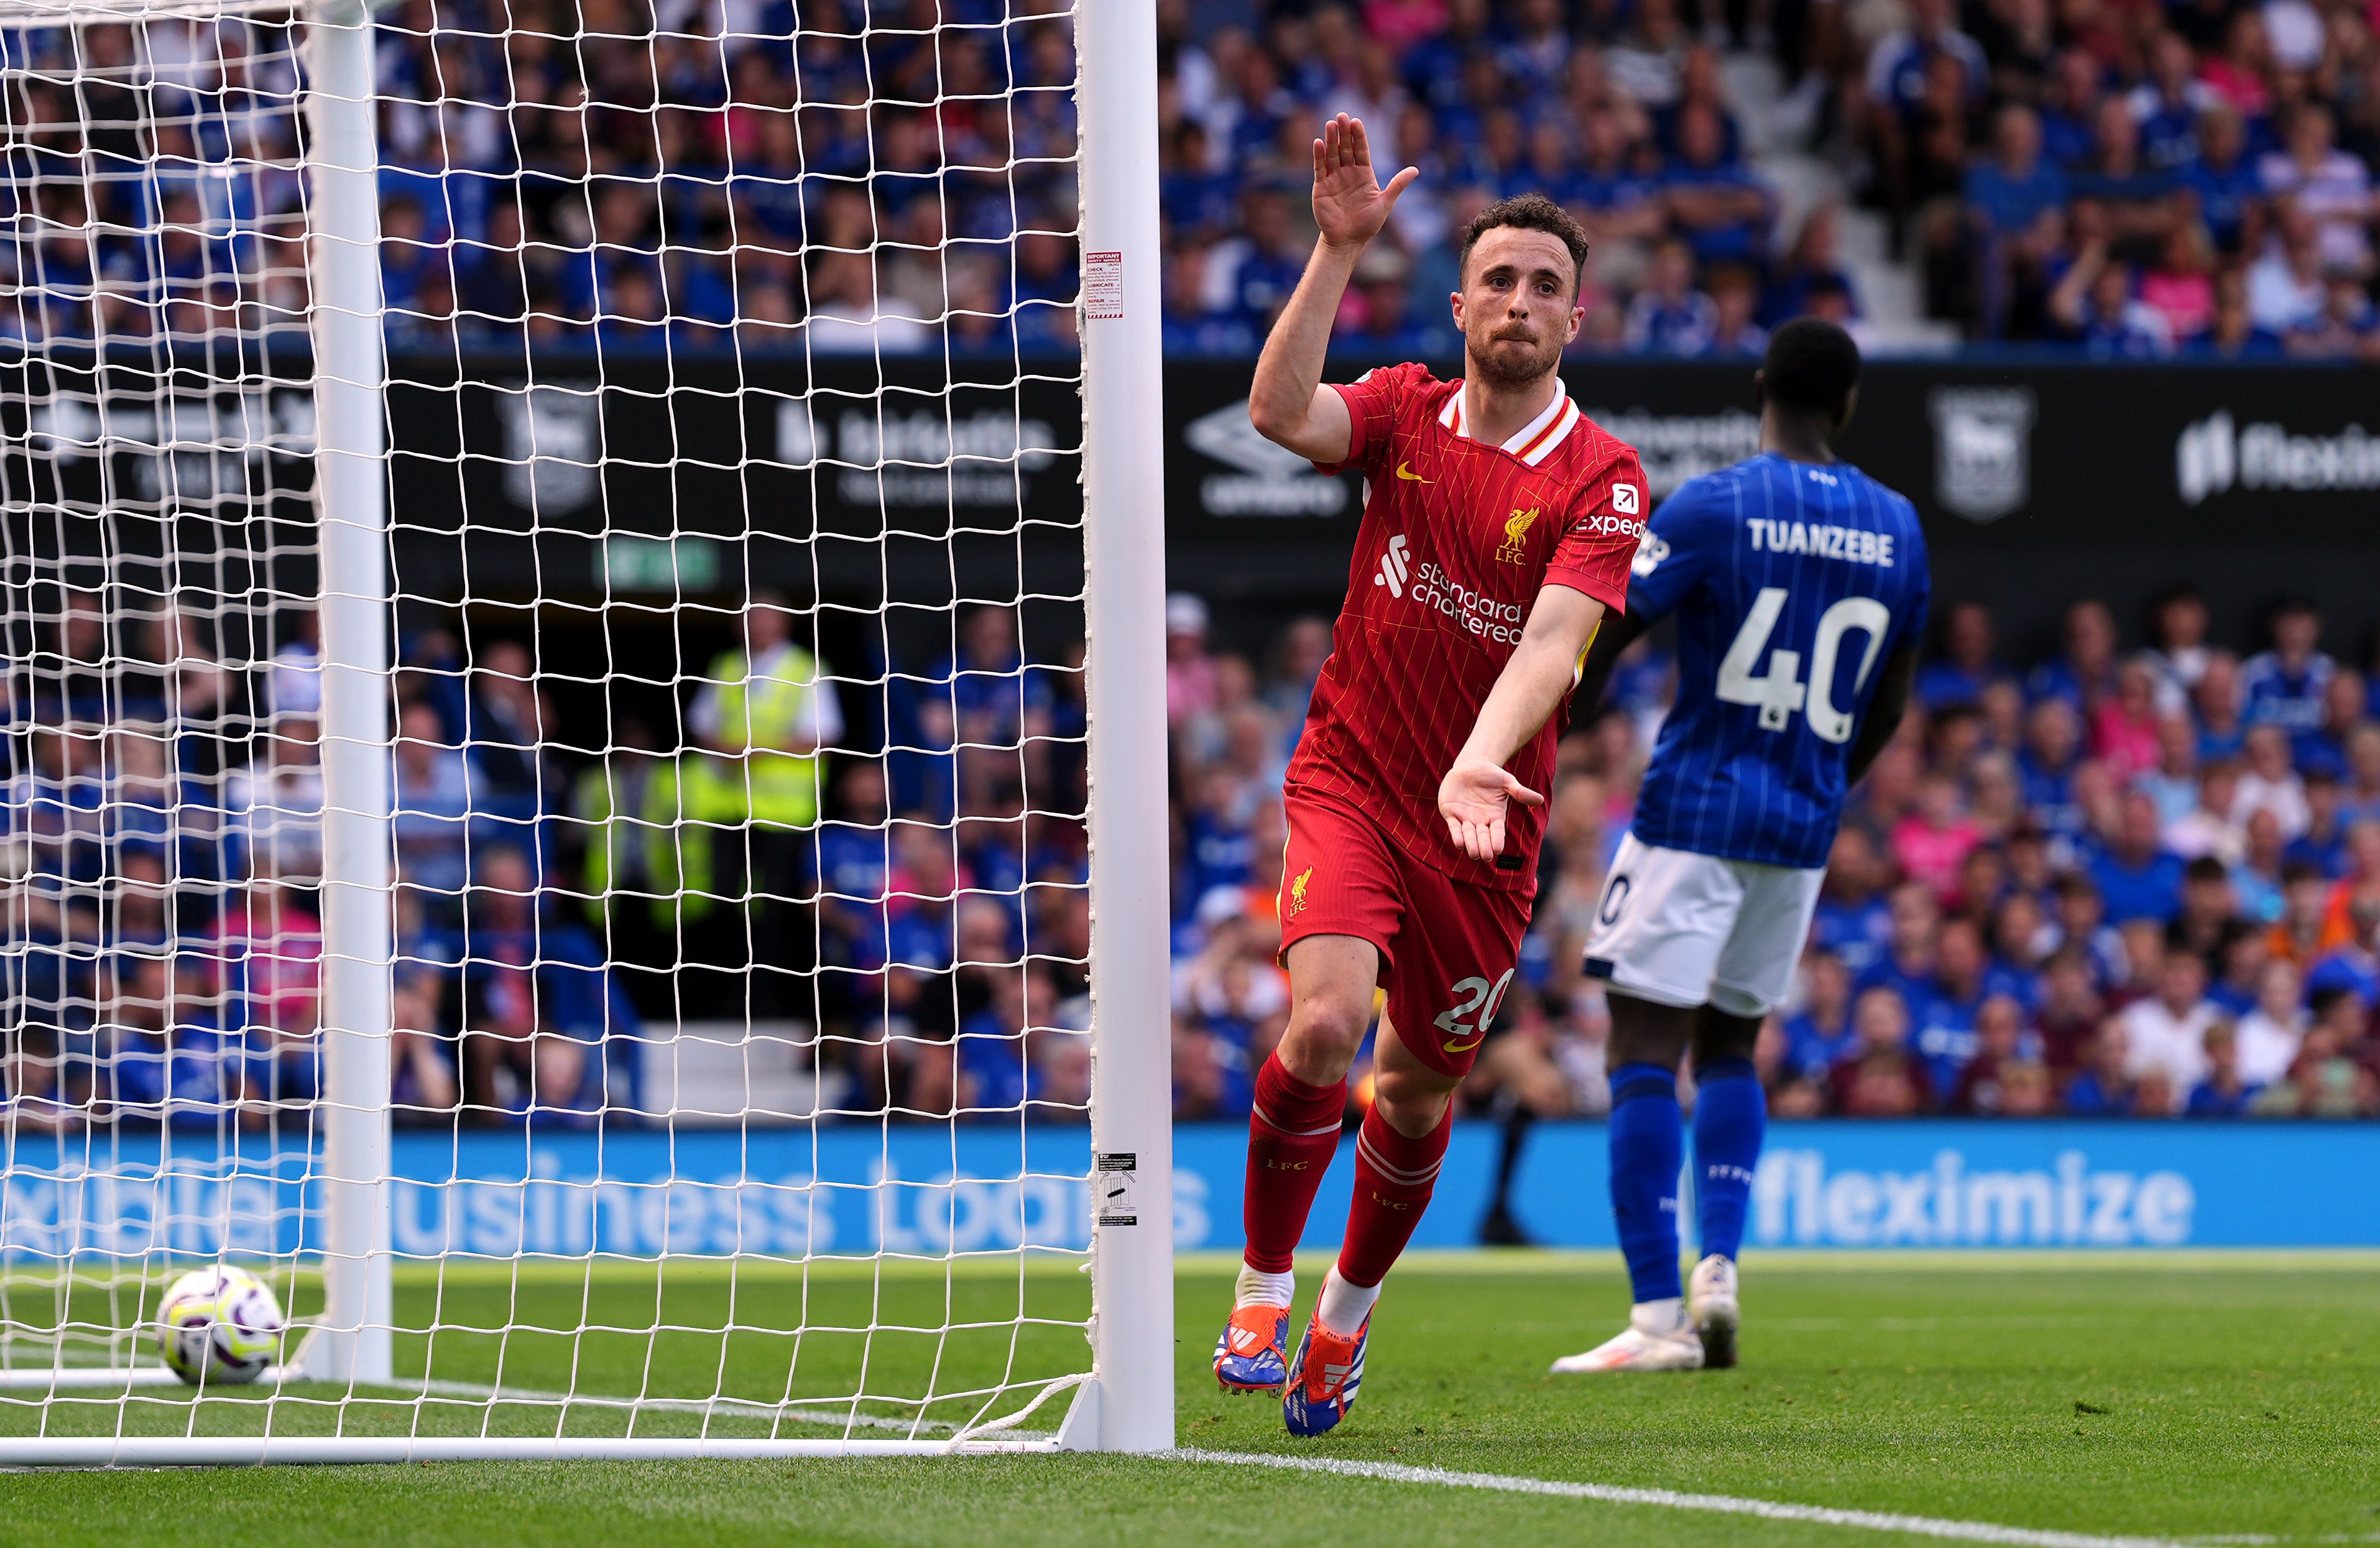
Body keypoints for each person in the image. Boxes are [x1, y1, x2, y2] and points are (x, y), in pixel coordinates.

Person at [1215, 115, 1647, 1439]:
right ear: (1461, 302)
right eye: (1500, 280)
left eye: (1546, 287)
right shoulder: (1403, 409)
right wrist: (1338, 252)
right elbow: (1280, 412)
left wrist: (1474, 761)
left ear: (1576, 321)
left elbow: (1556, 641)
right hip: (1352, 776)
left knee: (1413, 1090)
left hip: (1484, 827)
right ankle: (1258, 1287)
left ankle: (1344, 1323)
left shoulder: (1604, 478)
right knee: (1329, 1024)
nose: (1520, 302)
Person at [1556, 316, 1928, 1372]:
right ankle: (1718, 1263)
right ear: (1849, 405)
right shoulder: (1899, 526)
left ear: (1762, 385)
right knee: (1731, 1049)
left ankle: (1652, 1319)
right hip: (1801, 827)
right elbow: (1891, 704)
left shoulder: (1716, 504)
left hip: (1694, 813)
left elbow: (1610, 625)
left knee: (1639, 1055)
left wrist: (1546, 733)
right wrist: (1822, 785)